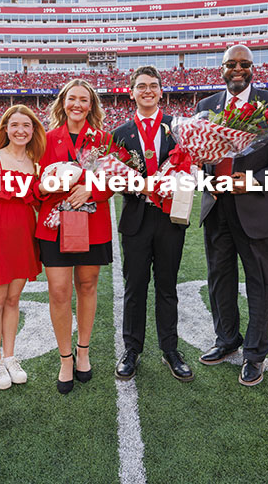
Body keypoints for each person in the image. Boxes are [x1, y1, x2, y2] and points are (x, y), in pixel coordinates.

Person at [196, 44, 268, 387]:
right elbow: (196, 157)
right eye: (231, 64)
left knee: (259, 282)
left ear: (253, 67)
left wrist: (255, 180)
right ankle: (227, 339)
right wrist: (205, 180)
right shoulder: (206, 105)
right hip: (217, 207)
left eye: (244, 64)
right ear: (222, 68)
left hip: (254, 206)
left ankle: (255, 354)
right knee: (219, 278)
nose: (237, 69)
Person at [111, 66, 192, 382]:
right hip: (136, 219)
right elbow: (114, 179)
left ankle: (170, 349)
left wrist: (181, 179)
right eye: (141, 86)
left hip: (171, 218)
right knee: (134, 288)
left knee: (167, 286)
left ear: (161, 92)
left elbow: (190, 167)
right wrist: (138, 185)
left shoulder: (179, 128)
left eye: (153, 86)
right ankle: (132, 349)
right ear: (131, 92)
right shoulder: (121, 133)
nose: (147, 90)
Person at [35, 79, 115, 394]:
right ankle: (65, 357)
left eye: (84, 99)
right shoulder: (44, 138)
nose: (77, 104)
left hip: (91, 224)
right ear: (63, 103)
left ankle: (83, 351)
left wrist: (91, 188)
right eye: (72, 99)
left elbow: (114, 180)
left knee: (87, 285)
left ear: (92, 105)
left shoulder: (104, 139)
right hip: (54, 225)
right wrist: (48, 186)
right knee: (58, 292)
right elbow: (35, 183)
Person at [0, 105, 45, 390]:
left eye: (26, 125)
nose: (20, 130)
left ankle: (11, 356)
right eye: (14, 125)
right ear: (5, 129)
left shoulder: (35, 163)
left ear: (33, 130)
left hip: (24, 238)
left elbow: (39, 202)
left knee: (14, 300)